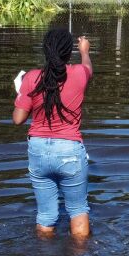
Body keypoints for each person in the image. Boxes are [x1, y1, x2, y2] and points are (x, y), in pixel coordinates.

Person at [13, 28, 92, 239]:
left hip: (38, 150)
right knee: (77, 210)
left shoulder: (31, 78)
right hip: (70, 149)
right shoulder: (79, 74)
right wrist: (84, 51)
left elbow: (18, 119)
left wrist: (21, 94)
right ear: (69, 52)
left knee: (46, 215)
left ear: (45, 50)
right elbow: (88, 68)